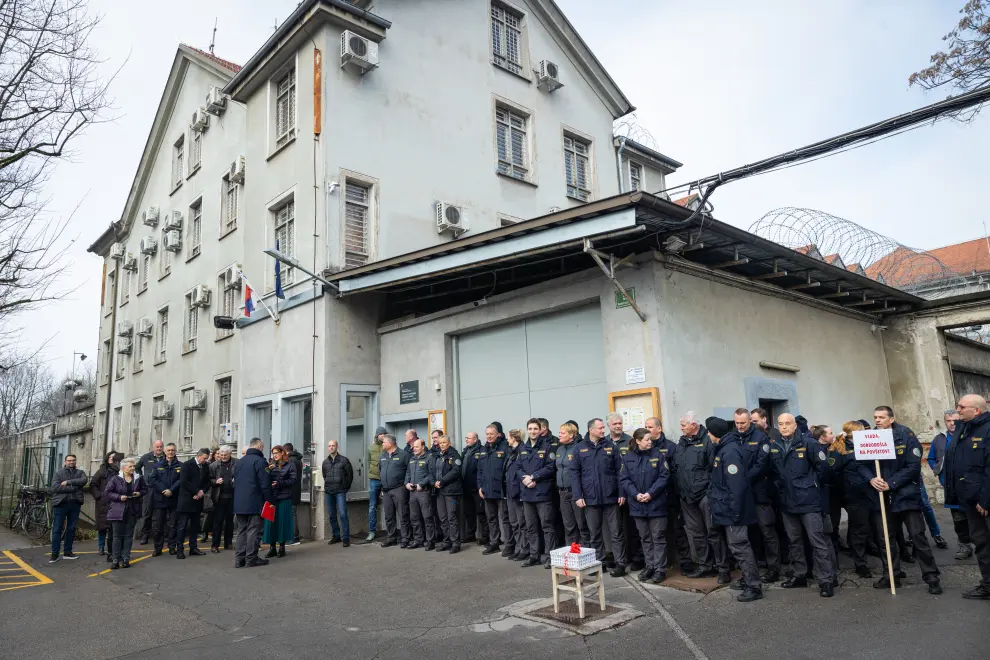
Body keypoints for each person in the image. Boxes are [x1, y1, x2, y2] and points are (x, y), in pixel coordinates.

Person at [866, 406, 942, 594]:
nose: (877, 420)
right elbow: (859, 463)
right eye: (875, 417)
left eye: (881, 417)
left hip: (905, 494)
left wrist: (891, 483)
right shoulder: (869, 437)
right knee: (886, 539)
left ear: (891, 419)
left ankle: (931, 576)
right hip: (882, 496)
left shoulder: (906, 435)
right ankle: (892, 574)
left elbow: (912, 466)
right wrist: (871, 478)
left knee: (917, 536)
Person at [769, 415, 835, 598]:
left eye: (787, 423)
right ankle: (800, 575)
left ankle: (826, 580)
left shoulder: (809, 443)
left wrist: (810, 484)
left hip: (809, 501)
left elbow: (824, 470)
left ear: (795, 425)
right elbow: (773, 472)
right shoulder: (775, 446)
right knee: (794, 541)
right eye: (780, 424)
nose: (784, 427)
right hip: (787, 502)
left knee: (817, 541)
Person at [707, 417, 763, 602]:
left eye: (709, 431)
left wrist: (735, 512)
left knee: (740, 546)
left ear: (715, 433)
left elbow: (736, 486)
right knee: (737, 546)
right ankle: (748, 579)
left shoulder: (729, 452)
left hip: (733, 511)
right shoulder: (725, 448)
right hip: (727, 508)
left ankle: (754, 586)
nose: (707, 434)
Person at [569, 418, 627, 577]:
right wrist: (577, 495)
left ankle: (620, 564)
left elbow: (620, 471)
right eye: (600, 428)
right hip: (590, 498)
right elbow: (574, 473)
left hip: (611, 497)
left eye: (603, 428)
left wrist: (622, 492)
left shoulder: (610, 446)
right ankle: (599, 563)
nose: (603, 431)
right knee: (594, 534)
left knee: (616, 533)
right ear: (591, 430)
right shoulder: (579, 448)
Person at [673, 413, 727, 582]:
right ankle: (705, 566)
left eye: (683, 425)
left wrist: (709, 492)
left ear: (693, 425)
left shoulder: (707, 441)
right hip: (687, 497)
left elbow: (714, 470)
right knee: (696, 534)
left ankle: (723, 568)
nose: (681, 428)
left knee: (713, 532)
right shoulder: (681, 444)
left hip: (704, 495)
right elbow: (676, 469)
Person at [946, 394, 990, 599]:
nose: (958, 410)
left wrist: (986, 499)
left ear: (977, 410)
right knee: (981, 543)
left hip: (984, 501)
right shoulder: (964, 429)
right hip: (970, 500)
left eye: (962, 407)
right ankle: (988, 585)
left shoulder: (987, 429)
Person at [729, 408, 780, 582]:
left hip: (759, 492)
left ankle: (774, 567)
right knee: (748, 534)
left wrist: (742, 481)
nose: (740, 426)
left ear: (750, 421)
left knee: (767, 530)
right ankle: (752, 568)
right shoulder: (732, 438)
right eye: (737, 423)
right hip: (741, 495)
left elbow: (761, 464)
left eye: (743, 423)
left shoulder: (761, 438)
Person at [620, 427, 670, 584]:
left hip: (656, 504)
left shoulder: (658, 455)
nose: (650, 442)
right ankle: (650, 566)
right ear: (638, 441)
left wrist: (651, 493)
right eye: (647, 440)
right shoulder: (628, 457)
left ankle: (660, 569)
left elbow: (664, 477)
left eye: (651, 439)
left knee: (658, 537)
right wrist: (636, 494)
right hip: (638, 505)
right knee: (645, 537)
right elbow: (624, 479)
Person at [645, 416, 694, 575]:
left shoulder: (671, 447)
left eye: (650, 427)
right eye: (646, 426)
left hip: (670, 496)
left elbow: (675, 472)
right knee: (656, 534)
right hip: (653, 498)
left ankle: (686, 562)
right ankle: (657, 565)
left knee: (678, 530)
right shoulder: (646, 448)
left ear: (659, 428)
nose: (648, 429)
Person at [835, 421, 878, 578]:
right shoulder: (842, 449)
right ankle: (860, 563)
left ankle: (866, 555)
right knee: (858, 529)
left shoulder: (862, 447)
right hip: (854, 494)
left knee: (866, 528)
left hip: (867, 493)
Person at [929, 410, 973, 559]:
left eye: (955, 420)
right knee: (959, 520)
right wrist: (940, 474)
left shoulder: (969, 435)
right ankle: (964, 547)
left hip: (971, 486)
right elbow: (932, 458)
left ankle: (982, 546)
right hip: (952, 488)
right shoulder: (939, 439)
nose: (952, 423)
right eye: (948, 420)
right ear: (945, 422)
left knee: (977, 518)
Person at [518, 419, 557, 569]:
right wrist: (525, 479)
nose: (533, 431)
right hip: (527, 493)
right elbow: (518, 467)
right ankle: (534, 555)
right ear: (527, 430)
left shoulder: (548, 447)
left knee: (547, 526)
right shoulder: (523, 448)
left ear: (540, 430)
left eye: (535, 428)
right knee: (531, 527)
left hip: (542, 493)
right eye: (530, 428)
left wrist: (534, 477)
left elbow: (550, 467)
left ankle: (549, 556)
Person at [233, 438, 275, 567]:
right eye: (262, 447)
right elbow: (265, 484)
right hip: (254, 501)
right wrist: (270, 501)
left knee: (241, 531)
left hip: (239, 502)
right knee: (253, 530)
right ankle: (251, 558)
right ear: (259, 446)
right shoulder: (260, 461)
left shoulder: (239, 462)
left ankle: (239, 559)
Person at [609, 413, 643, 572]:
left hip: (629, 491)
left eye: (620, 423)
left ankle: (637, 557)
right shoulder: (605, 443)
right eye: (615, 423)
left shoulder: (629, 441)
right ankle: (620, 557)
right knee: (616, 528)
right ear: (609, 425)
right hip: (611, 492)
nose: (618, 426)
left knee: (632, 527)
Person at [104, 456, 148, 569]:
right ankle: (115, 560)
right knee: (117, 536)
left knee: (128, 536)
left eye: (133, 466)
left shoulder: (138, 478)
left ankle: (126, 559)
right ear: (123, 468)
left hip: (132, 510)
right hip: (118, 510)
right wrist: (119, 497)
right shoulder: (115, 479)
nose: (133, 468)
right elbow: (107, 492)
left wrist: (139, 493)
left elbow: (145, 489)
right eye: (130, 466)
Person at [477, 423, 511, 555]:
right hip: (486, 490)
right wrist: (479, 486)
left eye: (491, 434)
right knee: (491, 518)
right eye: (487, 434)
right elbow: (479, 470)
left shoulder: (505, 447)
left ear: (498, 434)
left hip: (501, 490)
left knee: (505, 519)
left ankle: (509, 544)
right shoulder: (483, 449)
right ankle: (494, 543)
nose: (489, 436)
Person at [49, 454, 87, 563]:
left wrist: (69, 482)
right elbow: (55, 487)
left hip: (75, 504)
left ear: (75, 462)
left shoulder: (80, 473)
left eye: (73, 460)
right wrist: (73, 488)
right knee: (57, 529)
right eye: (69, 460)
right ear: (65, 462)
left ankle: (67, 552)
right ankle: (54, 554)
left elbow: (84, 481)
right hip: (61, 504)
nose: (71, 462)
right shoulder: (58, 473)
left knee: (71, 529)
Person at [556, 422, 589, 546]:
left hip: (575, 492)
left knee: (582, 525)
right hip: (562, 492)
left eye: (562, 433)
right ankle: (571, 552)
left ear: (571, 435)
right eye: (559, 432)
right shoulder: (559, 449)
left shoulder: (579, 448)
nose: (559, 435)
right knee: (569, 525)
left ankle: (586, 552)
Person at [176, 448, 211, 559]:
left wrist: (202, 492)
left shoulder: (205, 466)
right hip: (186, 500)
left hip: (197, 500)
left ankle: (193, 548)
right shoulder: (187, 465)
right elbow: (184, 481)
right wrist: (196, 491)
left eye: (207, 459)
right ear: (199, 456)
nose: (205, 461)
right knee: (182, 526)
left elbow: (207, 482)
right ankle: (180, 550)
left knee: (195, 526)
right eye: (204, 458)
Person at [263, 445, 297, 558]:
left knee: (282, 522)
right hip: (272, 497)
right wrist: (269, 470)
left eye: (277, 452)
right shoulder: (270, 464)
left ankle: (281, 547)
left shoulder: (290, 464)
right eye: (273, 453)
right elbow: (264, 477)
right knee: (271, 522)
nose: (275, 455)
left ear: (282, 453)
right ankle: (272, 548)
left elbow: (293, 480)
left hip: (284, 497)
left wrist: (279, 483)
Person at [378, 434, 411, 548]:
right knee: (389, 516)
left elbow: (409, 471)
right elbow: (380, 471)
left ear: (390, 443)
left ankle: (406, 538)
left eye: (383, 442)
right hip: (386, 491)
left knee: (403, 514)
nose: (382, 444)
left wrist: (406, 484)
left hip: (399, 489)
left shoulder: (403, 455)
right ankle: (391, 538)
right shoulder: (382, 456)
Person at [150, 443, 182, 556]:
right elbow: (153, 480)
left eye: (173, 450)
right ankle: (158, 548)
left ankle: (172, 547)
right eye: (168, 450)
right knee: (158, 525)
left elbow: (181, 480)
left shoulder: (180, 465)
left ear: (175, 451)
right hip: (160, 498)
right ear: (165, 451)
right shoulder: (157, 465)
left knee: (173, 525)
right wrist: (164, 490)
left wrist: (171, 490)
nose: (170, 452)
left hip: (174, 498)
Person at [433, 434, 462, 553]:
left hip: (451, 491)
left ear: (449, 443)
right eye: (440, 443)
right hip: (440, 491)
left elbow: (456, 471)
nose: (442, 445)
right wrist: (434, 482)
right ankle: (447, 541)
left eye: (444, 443)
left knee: (452, 517)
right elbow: (433, 470)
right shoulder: (438, 456)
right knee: (443, 518)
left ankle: (456, 543)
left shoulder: (454, 455)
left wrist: (442, 481)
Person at [405, 438, 435, 550]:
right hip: (412, 493)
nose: (414, 449)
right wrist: (406, 483)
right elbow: (407, 473)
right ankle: (418, 540)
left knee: (427, 517)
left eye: (417, 446)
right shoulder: (412, 459)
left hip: (424, 492)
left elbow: (432, 474)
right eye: (413, 447)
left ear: (423, 447)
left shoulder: (429, 458)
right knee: (414, 517)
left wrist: (421, 484)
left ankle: (430, 541)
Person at [90, 451, 121, 560]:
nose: (113, 459)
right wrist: (99, 496)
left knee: (114, 528)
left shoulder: (119, 471)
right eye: (111, 457)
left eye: (114, 458)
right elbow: (93, 484)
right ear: (107, 459)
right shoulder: (102, 471)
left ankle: (111, 549)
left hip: (115, 502)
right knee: (102, 527)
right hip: (103, 502)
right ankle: (101, 547)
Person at [322, 439, 353, 547]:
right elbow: (324, 475)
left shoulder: (344, 460)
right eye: (329, 446)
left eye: (333, 445)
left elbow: (350, 476)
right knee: (332, 515)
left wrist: (345, 487)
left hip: (340, 491)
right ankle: (336, 536)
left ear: (337, 447)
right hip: (329, 492)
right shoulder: (325, 462)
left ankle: (345, 538)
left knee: (343, 514)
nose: (331, 447)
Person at [461, 431, 488, 546]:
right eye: (466, 438)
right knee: (469, 513)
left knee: (481, 513)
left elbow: (482, 470)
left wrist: (480, 486)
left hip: (477, 488)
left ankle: (485, 536)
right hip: (466, 488)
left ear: (475, 439)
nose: (467, 440)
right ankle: (470, 535)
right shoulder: (465, 451)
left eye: (469, 438)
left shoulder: (481, 450)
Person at [505, 429, 528, 560]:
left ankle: (525, 548)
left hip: (518, 492)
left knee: (522, 523)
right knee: (514, 522)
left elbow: (521, 472)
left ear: (514, 438)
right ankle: (519, 547)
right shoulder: (511, 452)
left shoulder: (522, 451)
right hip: (510, 492)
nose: (508, 440)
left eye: (509, 437)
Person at [135, 439, 164, 544]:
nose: (159, 449)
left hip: (162, 489)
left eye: (161, 447)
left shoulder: (167, 457)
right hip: (149, 489)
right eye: (157, 447)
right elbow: (136, 468)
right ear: (154, 447)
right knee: (147, 513)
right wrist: (142, 478)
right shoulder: (146, 457)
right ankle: (145, 535)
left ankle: (160, 536)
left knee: (162, 514)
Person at [209, 447, 237, 552]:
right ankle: (215, 545)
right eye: (221, 455)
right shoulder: (213, 465)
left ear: (230, 454)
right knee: (218, 521)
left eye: (225, 455)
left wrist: (236, 479)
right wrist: (215, 481)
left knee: (230, 521)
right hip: (219, 497)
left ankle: (228, 543)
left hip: (232, 496)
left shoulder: (236, 463)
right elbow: (209, 479)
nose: (223, 457)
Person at [368, 427, 387, 543]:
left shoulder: (387, 446)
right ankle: (371, 531)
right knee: (372, 506)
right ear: (377, 435)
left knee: (389, 505)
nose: (383, 435)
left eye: (385, 433)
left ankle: (390, 530)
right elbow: (369, 461)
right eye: (381, 434)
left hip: (386, 480)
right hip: (374, 480)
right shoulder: (371, 447)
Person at [283, 442, 304, 545]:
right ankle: (294, 536)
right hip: (295, 491)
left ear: (285, 451)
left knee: (292, 514)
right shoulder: (297, 460)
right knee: (292, 513)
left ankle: (294, 537)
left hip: (291, 491)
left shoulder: (291, 461)